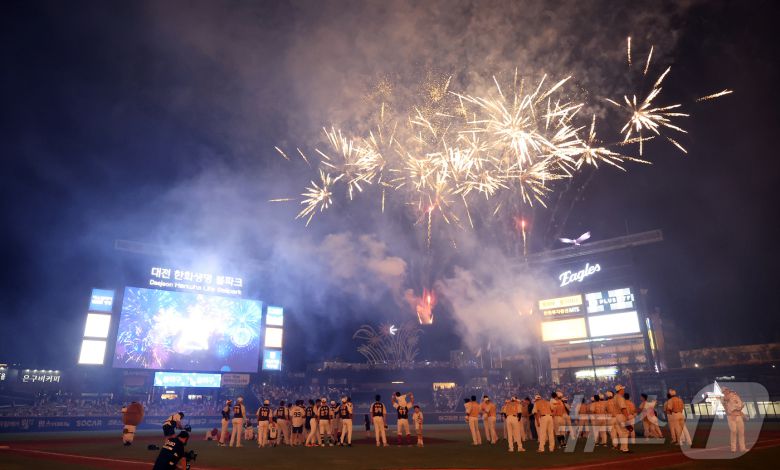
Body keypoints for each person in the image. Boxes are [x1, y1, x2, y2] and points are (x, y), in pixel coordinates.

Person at [722, 387, 747, 453]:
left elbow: (740, 405)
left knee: (741, 433)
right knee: (733, 431)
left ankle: (743, 448)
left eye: (726, 390)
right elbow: (725, 402)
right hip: (731, 417)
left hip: (738, 416)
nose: (726, 392)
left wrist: (741, 411)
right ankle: (733, 448)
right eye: (724, 391)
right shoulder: (724, 398)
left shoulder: (735, 396)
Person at [613, 385, 630, 453]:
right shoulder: (620, 397)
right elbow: (623, 408)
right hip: (621, 415)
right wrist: (627, 418)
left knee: (622, 432)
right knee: (625, 432)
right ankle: (625, 449)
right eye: (622, 389)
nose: (623, 390)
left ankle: (622, 448)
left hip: (617, 416)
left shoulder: (615, 397)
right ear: (620, 390)